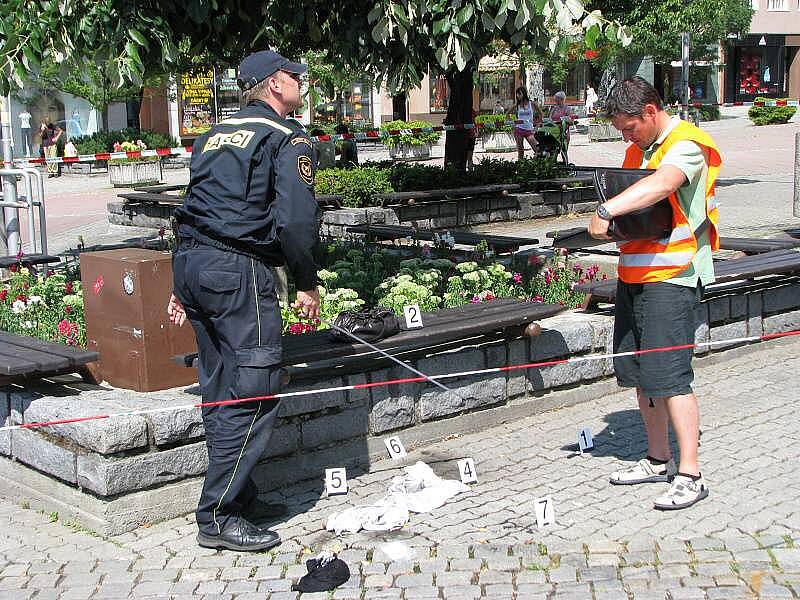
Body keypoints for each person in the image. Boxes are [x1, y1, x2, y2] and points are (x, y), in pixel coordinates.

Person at [167, 49, 320, 551]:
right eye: (295, 75)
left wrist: (179, 281)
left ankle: (242, 493)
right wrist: (304, 279)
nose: (302, 81)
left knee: (219, 386)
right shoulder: (286, 136)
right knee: (255, 387)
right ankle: (218, 512)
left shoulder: (212, 135)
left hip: (193, 264)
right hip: (238, 272)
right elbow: (296, 221)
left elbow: (197, 203)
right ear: (275, 85)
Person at [587, 76, 722, 510]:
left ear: (649, 111)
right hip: (635, 275)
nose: (626, 137)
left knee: (671, 376)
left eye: (629, 128)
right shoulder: (637, 150)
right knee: (641, 374)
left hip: (673, 276)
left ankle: (690, 474)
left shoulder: (687, 143)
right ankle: (656, 457)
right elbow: (640, 211)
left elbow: (664, 184)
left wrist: (606, 210)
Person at [513, 86, 538, 160]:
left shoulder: (532, 104)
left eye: (519, 94)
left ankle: (534, 164)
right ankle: (520, 166)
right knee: (520, 151)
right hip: (519, 129)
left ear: (524, 94)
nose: (518, 95)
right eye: (517, 94)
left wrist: (537, 125)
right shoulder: (517, 105)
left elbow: (540, 114)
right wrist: (514, 122)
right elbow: (507, 113)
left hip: (529, 130)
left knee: (537, 149)